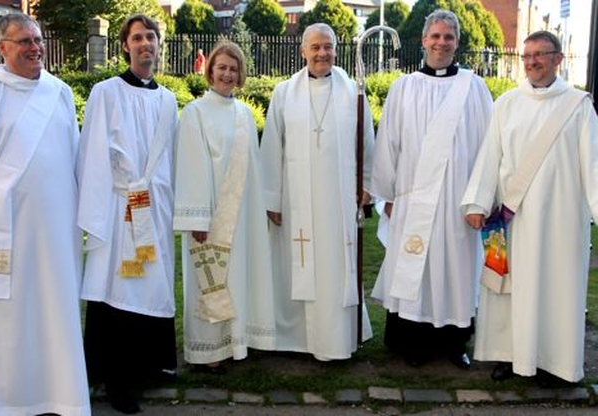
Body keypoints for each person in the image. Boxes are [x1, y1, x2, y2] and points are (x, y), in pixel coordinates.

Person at [0, 13, 90, 415]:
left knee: (56, 305)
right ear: (2, 47)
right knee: (10, 312)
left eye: (38, 39)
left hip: (56, 224)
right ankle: (7, 400)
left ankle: (62, 395)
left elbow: (75, 154)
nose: (35, 48)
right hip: (7, 227)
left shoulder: (60, 92)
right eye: (24, 41)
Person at [462, 30, 598, 386]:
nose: (533, 62)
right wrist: (478, 201)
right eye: (527, 56)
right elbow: (490, 156)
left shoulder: (579, 107)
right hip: (512, 218)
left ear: (558, 59)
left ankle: (556, 363)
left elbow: (594, 167)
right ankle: (509, 356)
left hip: (561, 220)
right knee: (507, 289)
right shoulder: (506, 103)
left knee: (557, 289)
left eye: (541, 54)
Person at [369, 9, 493, 369]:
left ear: (457, 43)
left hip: (458, 203)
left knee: (454, 272)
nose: (441, 42)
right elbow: (388, 144)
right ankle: (413, 343)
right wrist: (387, 195)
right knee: (415, 271)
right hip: (412, 197)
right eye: (435, 36)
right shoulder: (404, 87)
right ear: (423, 41)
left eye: (448, 37)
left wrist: (481, 199)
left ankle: (454, 344)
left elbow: (489, 147)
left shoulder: (474, 88)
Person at [77, 14, 178, 414]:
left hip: (153, 207)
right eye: (137, 38)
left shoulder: (168, 99)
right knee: (118, 289)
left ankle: (148, 366)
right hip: (120, 207)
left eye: (151, 37)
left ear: (158, 45)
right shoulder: (106, 92)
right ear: (125, 45)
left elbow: (170, 156)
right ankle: (115, 378)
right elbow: (92, 153)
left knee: (149, 284)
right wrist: (100, 211)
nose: (145, 44)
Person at [259, 23, 374, 361]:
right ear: (303, 51)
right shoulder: (284, 92)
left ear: (336, 50)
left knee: (336, 269)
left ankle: (337, 340)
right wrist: (272, 198)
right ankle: (296, 339)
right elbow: (271, 148)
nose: (322, 53)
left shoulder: (353, 91)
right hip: (296, 201)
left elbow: (366, 142)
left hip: (339, 201)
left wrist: (366, 184)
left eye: (328, 46)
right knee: (298, 265)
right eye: (315, 47)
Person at [174, 41, 276, 373]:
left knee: (239, 276)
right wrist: (198, 217)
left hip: (242, 214)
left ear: (240, 74)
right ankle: (208, 350)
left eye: (233, 69)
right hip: (211, 214)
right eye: (222, 68)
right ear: (210, 71)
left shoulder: (245, 114)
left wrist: (260, 208)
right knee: (211, 278)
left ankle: (237, 341)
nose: (227, 74)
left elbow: (256, 167)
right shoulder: (194, 113)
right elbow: (191, 166)